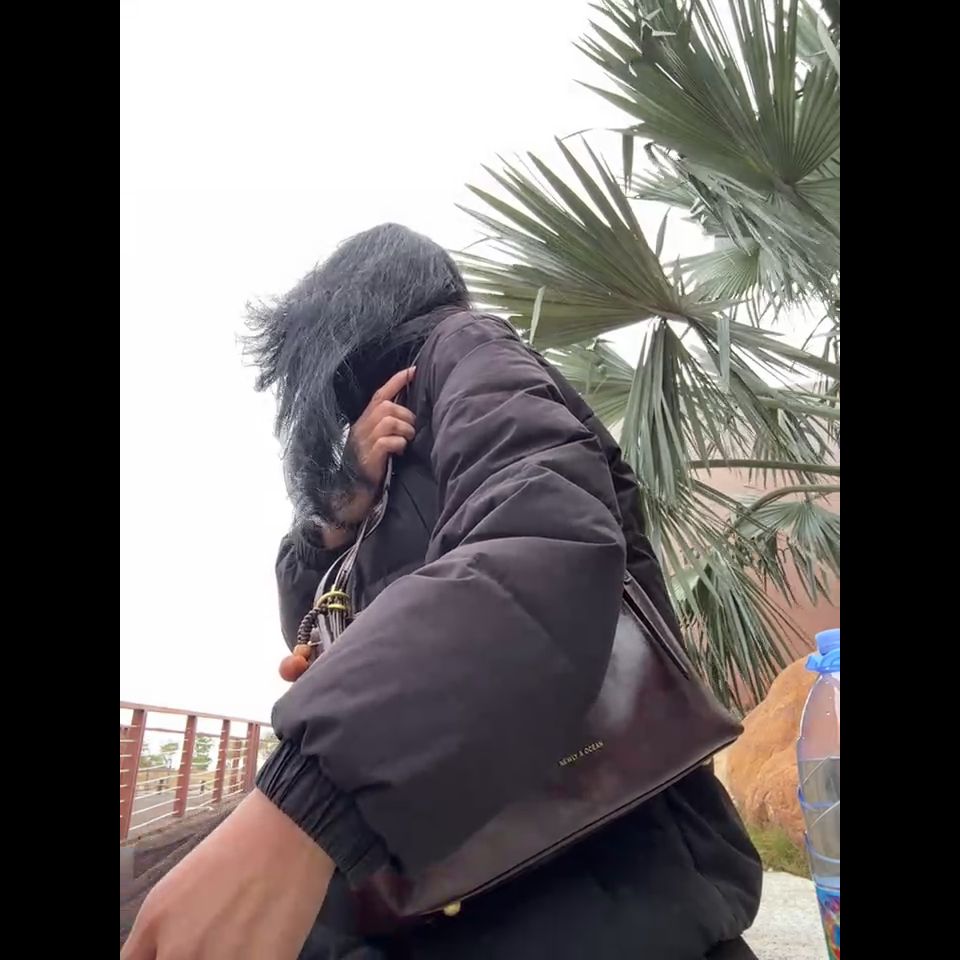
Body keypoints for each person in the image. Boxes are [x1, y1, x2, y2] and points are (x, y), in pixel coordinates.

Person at [122, 224, 761, 960]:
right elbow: (311, 625)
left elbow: (540, 543)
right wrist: (340, 511)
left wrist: (311, 800)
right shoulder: (388, 453)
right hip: (494, 865)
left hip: (601, 868)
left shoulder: (464, 345)